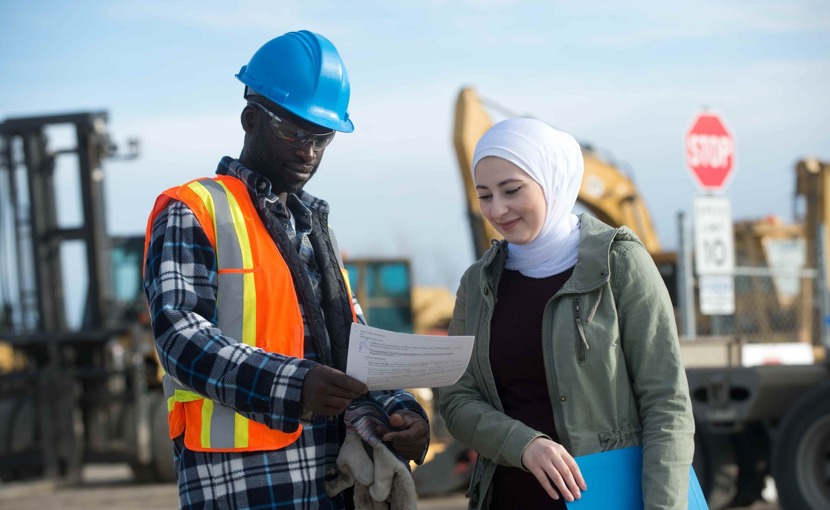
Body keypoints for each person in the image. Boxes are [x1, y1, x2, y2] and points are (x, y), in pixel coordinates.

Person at [143, 30, 429, 509]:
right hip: (245, 485)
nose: (307, 151)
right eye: (293, 132)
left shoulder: (315, 228)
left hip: (332, 481)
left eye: (322, 137)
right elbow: (180, 336)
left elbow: (356, 343)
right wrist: (297, 386)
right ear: (250, 119)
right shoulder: (194, 209)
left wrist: (400, 412)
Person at [437, 118, 694, 510]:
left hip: (611, 498)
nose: (498, 209)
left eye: (511, 190)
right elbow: (457, 399)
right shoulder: (477, 283)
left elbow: (666, 404)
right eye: (485, 195)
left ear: (552, 181)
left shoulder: (620, 263)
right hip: (509, 498)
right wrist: (524, 445)